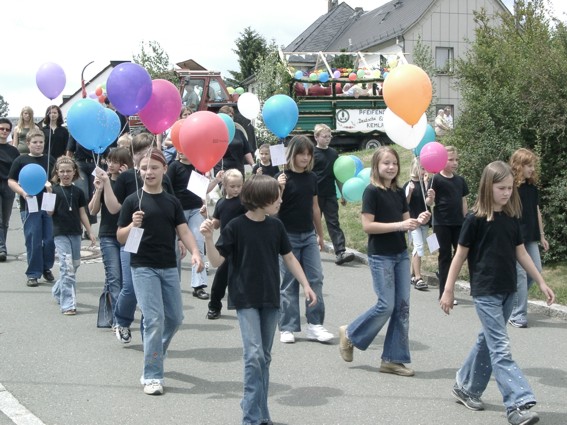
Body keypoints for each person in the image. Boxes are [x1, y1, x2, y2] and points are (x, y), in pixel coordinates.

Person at [440, 160, 555, 425]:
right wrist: (448, 290)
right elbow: (459, 256)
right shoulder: (475, 220)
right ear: (487, 187)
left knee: (487, 341)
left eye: (509, 188)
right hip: (485, 292)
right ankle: (517, 403)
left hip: (508, 292)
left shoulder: (511, 218)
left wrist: (541, 282)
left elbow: (521, 252)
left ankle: (465, 387)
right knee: (500, 348)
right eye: (501, 188)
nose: (506, 193)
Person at [200, 174, 317, 425]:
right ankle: (251, 418)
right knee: (253, 356)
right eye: (276, 197)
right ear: (261, 199)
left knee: (264, 356)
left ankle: (261, 412)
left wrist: (306, 284)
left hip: (270, 298)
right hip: (245, 298)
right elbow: (218, 261)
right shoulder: (236, 227)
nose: (280, 201)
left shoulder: (276, 226)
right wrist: (209, 239)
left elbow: (289, 258)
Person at [338, 146, 430, 376]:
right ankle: (350, 333)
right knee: (386, 305)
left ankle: (393, 359)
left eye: (394, 163)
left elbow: (406, 222)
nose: (391, 167)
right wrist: (400, 226)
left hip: (400, 253)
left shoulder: (399, 192)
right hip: (381, 255)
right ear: (377, 167)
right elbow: (368, 226)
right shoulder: (371, 192)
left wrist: (419, 219)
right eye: (386, 163)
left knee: (402, 307)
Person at [117, 149, 203, 395]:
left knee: (175, 318)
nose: (149, 172)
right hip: (143, 266)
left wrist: (196, 252)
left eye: (154, 167)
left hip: (168, 266)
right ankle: (152, 374)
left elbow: (184, 231)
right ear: (139, 171)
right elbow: (121, 237)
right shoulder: (133, 201)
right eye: (144, 168)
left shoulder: (172, 201)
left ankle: (154, 352)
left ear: (164, 170)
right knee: (154, 319)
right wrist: (132, 224)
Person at [98, 132, 174, 344]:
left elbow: (173, 211)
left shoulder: (163, 177)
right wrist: (105, 185)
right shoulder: (125, 178)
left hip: (157, 241)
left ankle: (147, 332)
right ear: (133, 156)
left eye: (150, 149)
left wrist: (178, 239)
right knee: (129, 287)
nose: (146, 156)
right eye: (140, 152)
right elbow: (114, 209)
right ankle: (122, 320)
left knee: (152, 291)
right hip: (132, 235)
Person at [276, 135, 333, 344]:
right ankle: (287, 326)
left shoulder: (311, 178)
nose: (305, 157)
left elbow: (315, 207)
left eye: (309, 154)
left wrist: (320, 234)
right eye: (301, 153)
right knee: (289, 282)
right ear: (292, 154)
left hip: (308, 235)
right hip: (286, 236)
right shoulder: (282, 176)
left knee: (315, 278)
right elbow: (273, 208)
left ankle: (315, 324)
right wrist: (278, 187)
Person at [89, 147, 133, 322]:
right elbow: (93, 210)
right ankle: (117, 318)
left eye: (117, 162)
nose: (112, 165)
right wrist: (98, 190)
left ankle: (114, 313)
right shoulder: (103, 181)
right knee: (114, 277)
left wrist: (114, 182)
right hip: (107, 234)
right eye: (110, 161)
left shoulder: (129, 183)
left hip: (127, 234)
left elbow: (117, 208)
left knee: (125, 279)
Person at [48, 156, 96, 315]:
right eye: (62, 171)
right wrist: (48, 193)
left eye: (69, 171)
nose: (65, 174)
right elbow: (49, 212)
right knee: (67, 266)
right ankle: (68, 304)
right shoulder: (53, 190)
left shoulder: (78, 191)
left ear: (74, 171)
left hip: (76, 232)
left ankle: (57, 289)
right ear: (57, 172)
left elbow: (83, 213)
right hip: (60, 233)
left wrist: (89, 231)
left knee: (74, 265)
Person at [8, 129, 56, 287]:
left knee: (49, 239)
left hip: (47, 203)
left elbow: (57, 179)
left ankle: (46, 267)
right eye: (35, 142)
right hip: (30, 204)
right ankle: (33, 273)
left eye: (41, 142)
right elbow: (11, 181)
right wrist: (22, 192)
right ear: (28, 144)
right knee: (34, 239)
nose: (38, 145)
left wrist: (51, 187)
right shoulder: (21, 161)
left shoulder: (50, 160)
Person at [508, 148, 549, 328]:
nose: (532, 169)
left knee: (536, 270)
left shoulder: (532, 188)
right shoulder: (511, 188)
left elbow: (536, 211)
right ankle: (517, 315)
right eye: (528, 166)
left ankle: (512, 300)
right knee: (521, 276)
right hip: (516, 238)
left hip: (531, 236)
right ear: (518, 166)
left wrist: (542, 235)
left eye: (533, 166)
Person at [166, 149, 212, 300]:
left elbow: (203, 190)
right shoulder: (174, 167)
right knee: (175, 247)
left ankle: (199, 285)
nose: (180, 152)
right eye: (179, 150)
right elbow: (167, 187)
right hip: (178, 210)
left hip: (195, 209)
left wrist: (205, 203)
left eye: (185, 150)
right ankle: (174, 283)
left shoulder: (198, 167)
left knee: (198, 243)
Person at [427, 146, 468, 303]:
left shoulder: (460, 180)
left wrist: (466, 220)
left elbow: (463, 201)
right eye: (451, 160)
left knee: (461, 254)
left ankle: (446, 276)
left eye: (456, 159)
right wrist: (430, 197)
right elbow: (429, 202)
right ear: (442, 160)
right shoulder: (436, 179)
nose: (455, 163)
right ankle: (444, 292)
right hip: (441, 224)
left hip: (459, 223)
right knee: (444, 256)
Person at [312, 124, 355, 266]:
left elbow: (338, 175)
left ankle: (340, 251)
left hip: (330, 194)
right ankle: (310, 249)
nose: (327, 139)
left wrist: (342, 193)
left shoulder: (334, 154)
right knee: (310, 223)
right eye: (324, 136)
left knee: (333, 223)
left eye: (329, 136)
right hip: (314, 195)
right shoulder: (312, 153)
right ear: (316, 137)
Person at [206, 169, 247, 320]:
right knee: (220, 279)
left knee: (244, 277)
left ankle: (247, 306)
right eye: (232, 186)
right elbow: (216, 224)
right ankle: (214, 306)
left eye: (239, 186)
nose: (236, 189)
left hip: (242, 245)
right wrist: (207, 217)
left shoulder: (245, 202)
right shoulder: (221, 203)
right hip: (225, 246)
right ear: (224, 185)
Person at [403, 157, 435, 290]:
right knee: (419, 246)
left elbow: (428, 203)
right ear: (415, 168)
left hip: (425, 220)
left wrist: (430, 192)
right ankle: (418, 277)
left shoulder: (425, 184)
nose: (423, 171)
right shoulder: (408, 184)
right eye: (421, 168)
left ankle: (411, 274)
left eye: (425, 168)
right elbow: (405, 204)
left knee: (419, 247)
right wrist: (409, 192)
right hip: (413, 221)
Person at [66, 135, 98, 233]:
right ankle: (79, 224)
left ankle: (89, 228)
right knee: (83, 194)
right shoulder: (76, 131)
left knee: (93, 196)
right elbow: (70, 151)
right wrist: (67, 164)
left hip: (95, 165)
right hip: (80, 164)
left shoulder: (97, 131)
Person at [0, 117, 21, 262]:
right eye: (2, 129)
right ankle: (2, 248)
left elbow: (18, 169)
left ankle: (2, 245)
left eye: (7, 129)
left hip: (8, 185)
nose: (4, 132)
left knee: (5, 220)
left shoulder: (13, 151)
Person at [214, 106, 255, 178]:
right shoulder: (216, 134)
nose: (229, 118)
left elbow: (246, 151)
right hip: (223, 170)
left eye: (231, 116)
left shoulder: (239, 133)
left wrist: (253, 165)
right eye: (226, 116)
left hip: (238, 169)